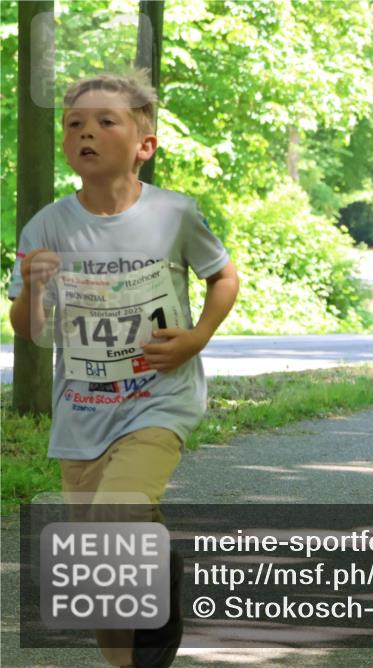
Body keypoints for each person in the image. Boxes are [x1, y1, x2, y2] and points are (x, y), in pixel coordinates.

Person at [8, 70, 239, 668]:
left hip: (158, 400)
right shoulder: (46, 226)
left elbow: (223, 277)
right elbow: (29, 332)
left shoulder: (175, 215)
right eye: (74, 124)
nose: (86, 132)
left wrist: (196, 338)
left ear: (144, 144)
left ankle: (156, 591)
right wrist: (32, 291)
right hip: (83, 412)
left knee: (115, 519)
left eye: (105, 121)